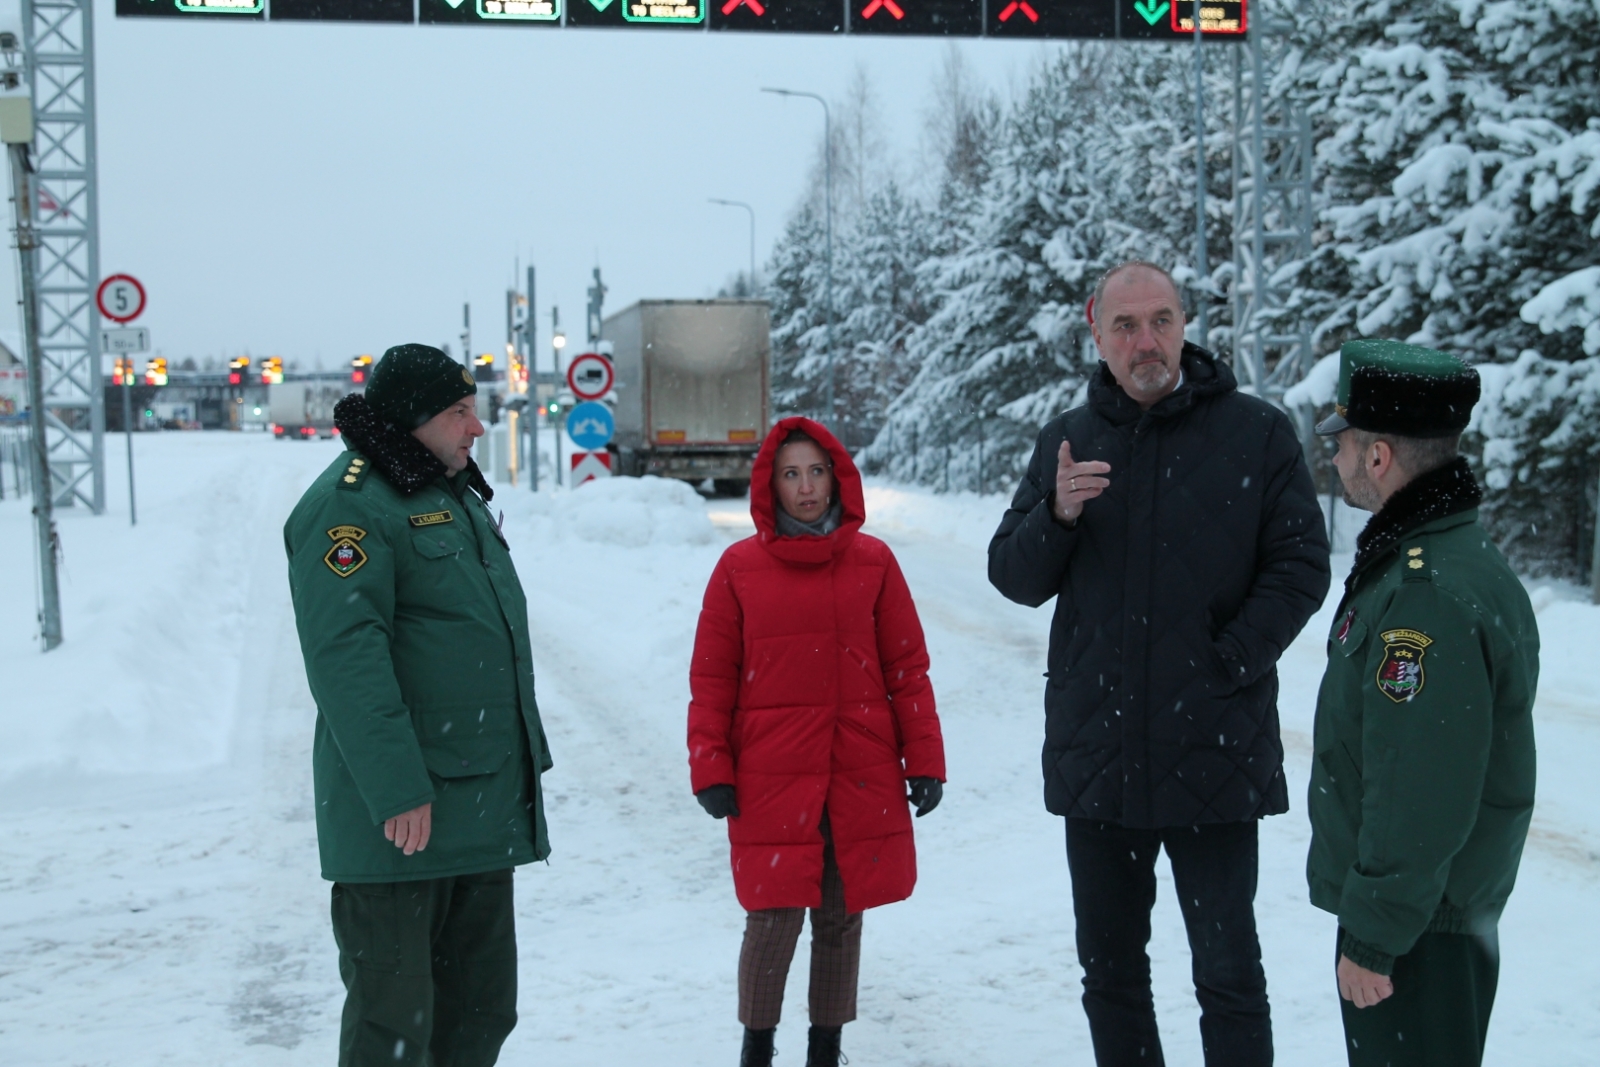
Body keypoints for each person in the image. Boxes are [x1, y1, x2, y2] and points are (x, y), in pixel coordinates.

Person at [987, 261, 1331, 1067]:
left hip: (1213, 748)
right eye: (1127, 325)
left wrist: (1231, 660)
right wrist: (1059, 513)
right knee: (1110, 973)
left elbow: (1301, 565)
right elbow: (1013, 574)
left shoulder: (1257, 432)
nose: (1148, 341)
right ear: (1096, 334)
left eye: (1162, 321)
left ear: (1184, 324)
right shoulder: (1066, 442)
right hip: (1097, 755)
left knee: (1228, 972)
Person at [283, 343, 553, 1067]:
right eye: (460, 413)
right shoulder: (350, 505)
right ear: (412, 420)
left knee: (481, 1009)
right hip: (406, 818)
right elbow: (347, 659)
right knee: (394, 1027)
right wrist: (398, 785)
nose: (477, 428)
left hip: (478, 802)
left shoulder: (448, 493)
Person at [687, 417, 946, 1067]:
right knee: (773, 920)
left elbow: (907, 669)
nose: (807, 487)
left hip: (859, 771)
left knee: (840, 917)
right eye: (791, 474)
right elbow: (711, 678)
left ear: (838, 476)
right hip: (771, 776)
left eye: (817, 472)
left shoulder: (875, 562)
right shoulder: (739, 568)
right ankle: (757, 1048)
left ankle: (827, 1048)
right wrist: (710, 765)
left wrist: (926, 760)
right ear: (770, 484)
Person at [1307, 339, 1538, 1067]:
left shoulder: (1426, 592)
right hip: (1431, 915)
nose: (1334, 459)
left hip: (1417, 930)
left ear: (1378, 456)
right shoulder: (1446, 555)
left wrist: (1374, 933)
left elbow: (1420, 787)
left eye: (1341, 443)